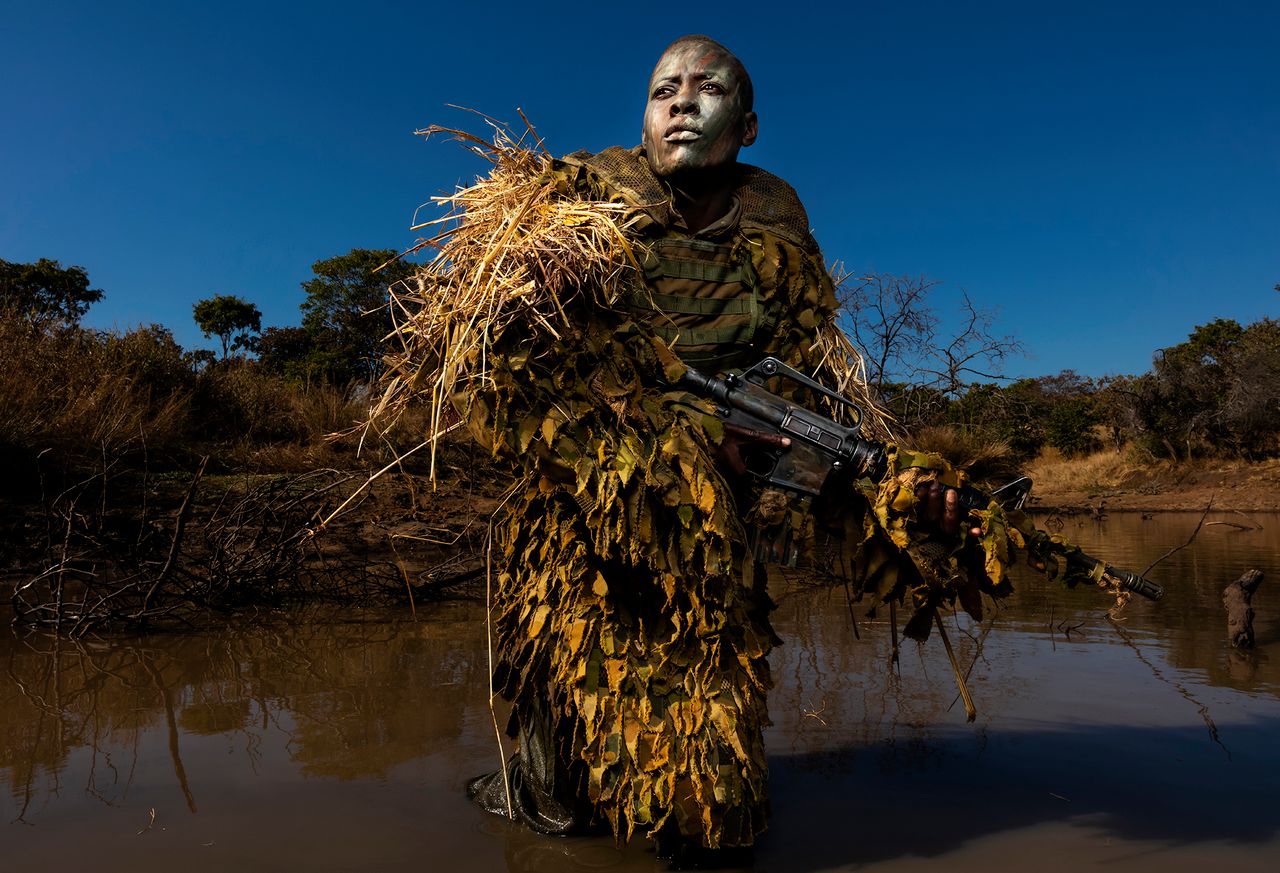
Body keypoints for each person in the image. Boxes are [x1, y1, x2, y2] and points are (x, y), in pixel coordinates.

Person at [463, 34, 855, 855]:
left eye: (708, 88)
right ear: (644, 117)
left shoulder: (777, 217)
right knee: (568, 709)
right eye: (663, 89)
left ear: (746, 125)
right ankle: (556, 795)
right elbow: (506, 358)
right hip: (589, 489)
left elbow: (810, 372)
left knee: (711, 731)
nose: (682, 101)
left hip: (720, 503)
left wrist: (787, 480)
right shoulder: (583, 199)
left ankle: (701, 820)